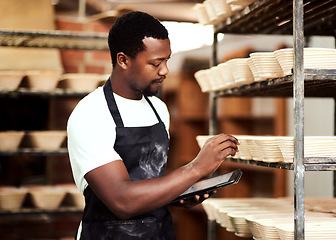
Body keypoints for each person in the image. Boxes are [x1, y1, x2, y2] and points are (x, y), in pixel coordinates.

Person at [67, 11, 239, 240]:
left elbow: (150, 182)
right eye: (156, 63)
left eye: (167, 60)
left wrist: (182, 194)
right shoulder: (91, 113)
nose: (165, 70)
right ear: (123, 60)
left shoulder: (158, 109)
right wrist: (196, 168)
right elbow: (122, 201)